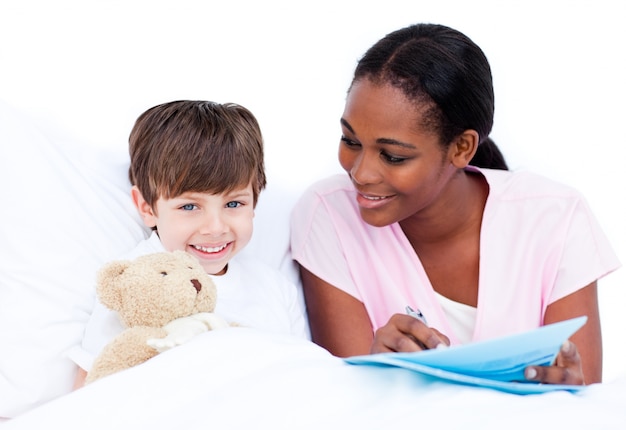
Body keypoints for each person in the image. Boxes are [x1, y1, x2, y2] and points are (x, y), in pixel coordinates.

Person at [290, 23, 620, 385]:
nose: (361, 173)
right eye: (350, 140)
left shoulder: (555, 218)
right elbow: (343, 399)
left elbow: (581, 393)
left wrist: (570, 392)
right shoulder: (329, 215)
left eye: (393, 156)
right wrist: (374, 371)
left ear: (462, 148)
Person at [71, 100, 308, 388]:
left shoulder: (275, 288)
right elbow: (92, 381)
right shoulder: (135, 283)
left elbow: (303, 375)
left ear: (255, 201)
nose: (215, 228)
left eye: (234, 203)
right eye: (189, 207)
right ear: (147, 208)